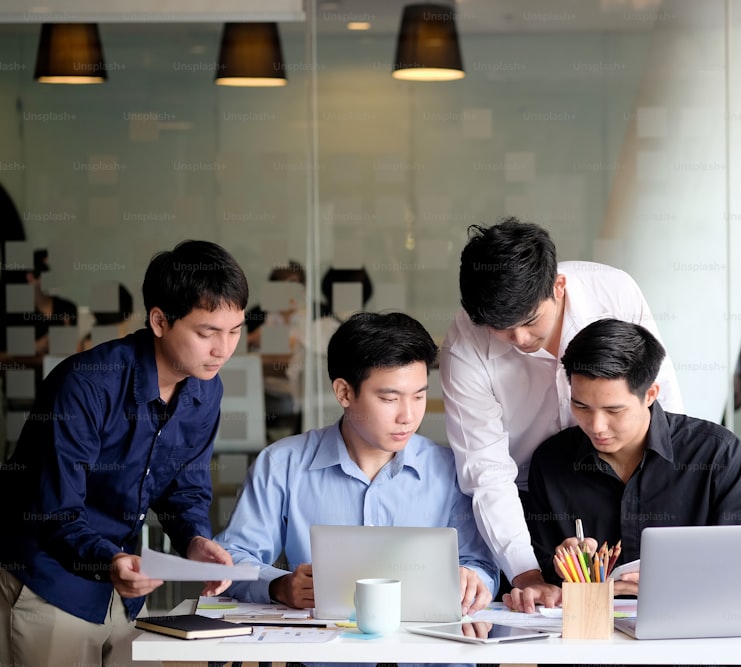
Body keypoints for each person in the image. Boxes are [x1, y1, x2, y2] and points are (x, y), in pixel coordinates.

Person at [0, 239, 250, 667]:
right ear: (159, 321)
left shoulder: (206, 389)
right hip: (51, 584)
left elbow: (184, 488)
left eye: (235, 330)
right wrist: (110, 561)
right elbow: (55, 512)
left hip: (125, 590)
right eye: (207, 332)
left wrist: (193, 539)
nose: (223, 349)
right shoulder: (85, 386)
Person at [215, 312, 498, 667]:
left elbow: (481, 564)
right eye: (390, 399)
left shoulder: (450, 469)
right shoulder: (282, 465)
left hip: (433, 659)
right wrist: (279, 586)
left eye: (419, 396)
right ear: (344, 392)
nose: (408, 416)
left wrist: (474, 580)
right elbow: (232, 558)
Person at [438, 217, 684, 611]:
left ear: (558, 286)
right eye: (502, 329)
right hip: (531, 506)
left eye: (530, 321)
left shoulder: (612, 292)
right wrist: (527, 574)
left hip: (625, 483)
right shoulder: (465, 348)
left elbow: (660, 397)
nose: (520, 340)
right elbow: (487, 474)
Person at [506, 319, 741, 610]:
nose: (596, 426)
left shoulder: (716, 455)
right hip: (591, 644)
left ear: (651, 394)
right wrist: (560, 570)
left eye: (613, 410)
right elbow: (540, 576)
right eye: (581, 406)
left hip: (692, 637)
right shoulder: (552, 461)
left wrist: (679, 579)